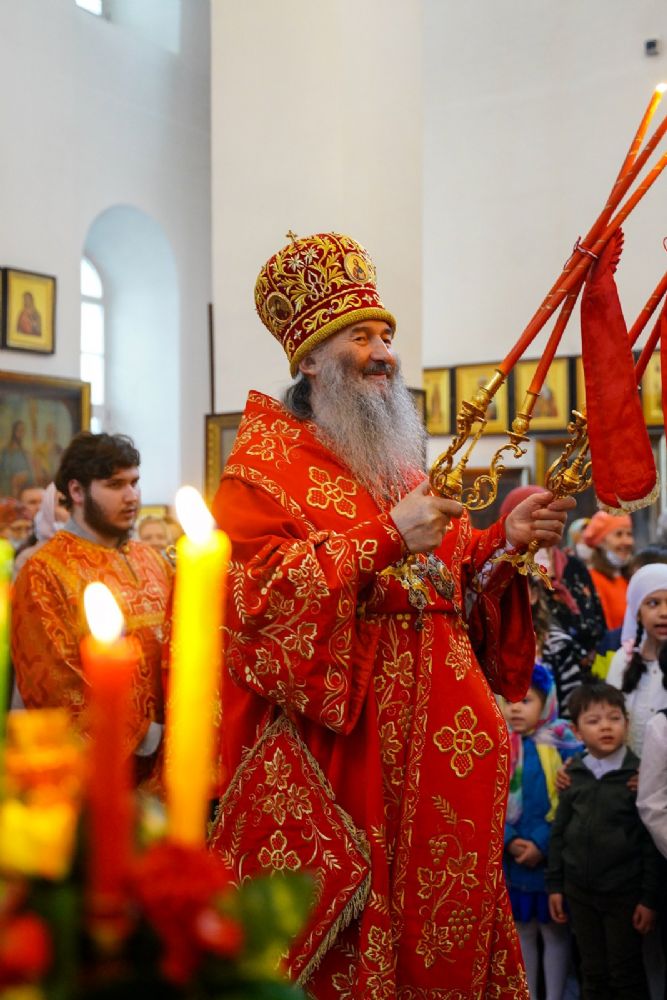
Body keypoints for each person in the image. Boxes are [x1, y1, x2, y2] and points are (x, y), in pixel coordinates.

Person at [209, 231, 573, 997]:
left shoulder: (398, 464)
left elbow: (447, 581)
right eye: (360, 338)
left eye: (384, 335)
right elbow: (256, 612)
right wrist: (383, 538)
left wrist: (503, 541)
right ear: (310, 360)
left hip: (444, 760)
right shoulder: (260, 472)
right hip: (352, 763)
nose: (383, 354)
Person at [10, 432, 172, 789]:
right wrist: (149, 735)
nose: (132, 496)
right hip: (101, 778)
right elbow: (56, 688)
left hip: (174, 766)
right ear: (77, 491)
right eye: (115, 485)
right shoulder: (44, 572)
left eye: (134, 482)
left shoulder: (151, 559)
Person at [547, 683, 660, 999]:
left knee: (626, 972)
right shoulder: (573, 774)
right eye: (594, 721)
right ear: (576, 731)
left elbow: (650, 843)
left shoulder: (638, 777)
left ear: (627, 722)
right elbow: (560, 833)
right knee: (592, 970)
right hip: (580, 893)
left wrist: (649, 899)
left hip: (624, 894)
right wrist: (555, 885)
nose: (606, 727)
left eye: (614, 718)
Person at [503, 664, 581, 999]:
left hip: (550, 859)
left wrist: (540, 842)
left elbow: (568, 803)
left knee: (554, 931)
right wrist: (509, 840)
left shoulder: (565, 747)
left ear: (547, 703)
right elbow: (488, 799)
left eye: (527, 700)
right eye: (510, 701)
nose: (516, 709)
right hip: (511, 858)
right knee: (521, 930)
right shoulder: (498, 745)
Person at [606, 563, 667, 756]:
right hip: (625, 767)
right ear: (638, 612)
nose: (664, 612)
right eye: (653, 603)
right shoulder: (623, 659)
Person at [582, 511, 634, 630]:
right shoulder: (593, 580)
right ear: (601, 542)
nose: (627, 541)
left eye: (629, 534)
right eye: (619, 534)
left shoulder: (628, 577)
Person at [0, 420, 33, 498]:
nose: (21, 434)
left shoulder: (24, 452)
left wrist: (25, 475)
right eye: (19, 430)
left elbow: (30, 472)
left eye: (23, 431)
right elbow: (4, 471)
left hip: (24, 486)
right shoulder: (7, 451)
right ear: (14, 432)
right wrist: (15, 478)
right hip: (10, 486)